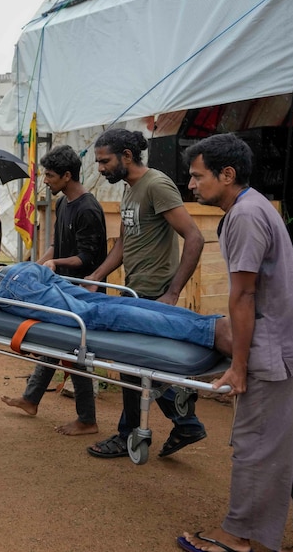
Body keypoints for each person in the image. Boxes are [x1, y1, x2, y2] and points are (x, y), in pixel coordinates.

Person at [178, 133, 293, 552]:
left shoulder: (246, 216)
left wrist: (238, 365)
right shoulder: (254, 205)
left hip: (280, 350)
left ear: (227, 174)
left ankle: (238, 536)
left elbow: (245, 295)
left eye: (198, 177)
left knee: (256, 444)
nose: (192, 185)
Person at [84, 128, 208, 459]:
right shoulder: (130, 189)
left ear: (127, 156)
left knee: (131, 363)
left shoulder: (156, 184)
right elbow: (124, 244)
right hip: (133, 292)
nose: (100, 168)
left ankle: (130, 436)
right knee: (135, 365)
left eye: (104, 161)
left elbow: (194, 237)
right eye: (98, 162)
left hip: (154, 295)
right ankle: (186, 422)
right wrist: (97, 276)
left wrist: (172, 292)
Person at [0, 244, 231, 354]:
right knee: (108, 305)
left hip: (14, 288)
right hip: (25, 271)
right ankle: (210, 324)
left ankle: (208, 333)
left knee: (101, 317)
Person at [0, 145, 107, 436]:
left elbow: (86, 259)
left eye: (49, 175)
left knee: (75, 352)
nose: (45, 181)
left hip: (80, 291)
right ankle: (31, 398)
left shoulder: (88, 209)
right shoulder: (63, 204)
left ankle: (87, 419)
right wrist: (35, 265)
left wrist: (53, 264)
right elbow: (56, 247)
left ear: (67, 176)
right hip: (60, 287)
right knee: (52, 343)